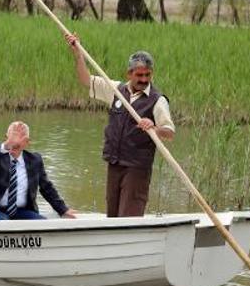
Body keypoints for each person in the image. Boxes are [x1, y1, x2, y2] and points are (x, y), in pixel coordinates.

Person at [65, 34, 175, 217]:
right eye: (139, 75)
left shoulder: (158, 100)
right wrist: (78, 53)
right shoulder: (116, 90)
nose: (144, 79)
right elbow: (86, 80)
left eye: (148, 75)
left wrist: (154, 128)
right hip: (114, 163)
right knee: (112, 215)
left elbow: (170, 133)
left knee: (129, 216)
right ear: (129, 74)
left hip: (136, 168)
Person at [0, 121, 77, 220]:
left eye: (19, 139)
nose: (15, 143)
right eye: (12, 138)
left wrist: (62, 209)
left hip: (22, 210)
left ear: (27, 142)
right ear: (6, 138)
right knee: (4, 222)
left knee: (43, 223)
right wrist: (8, 144)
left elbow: (46, 187)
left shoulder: (34, 160)